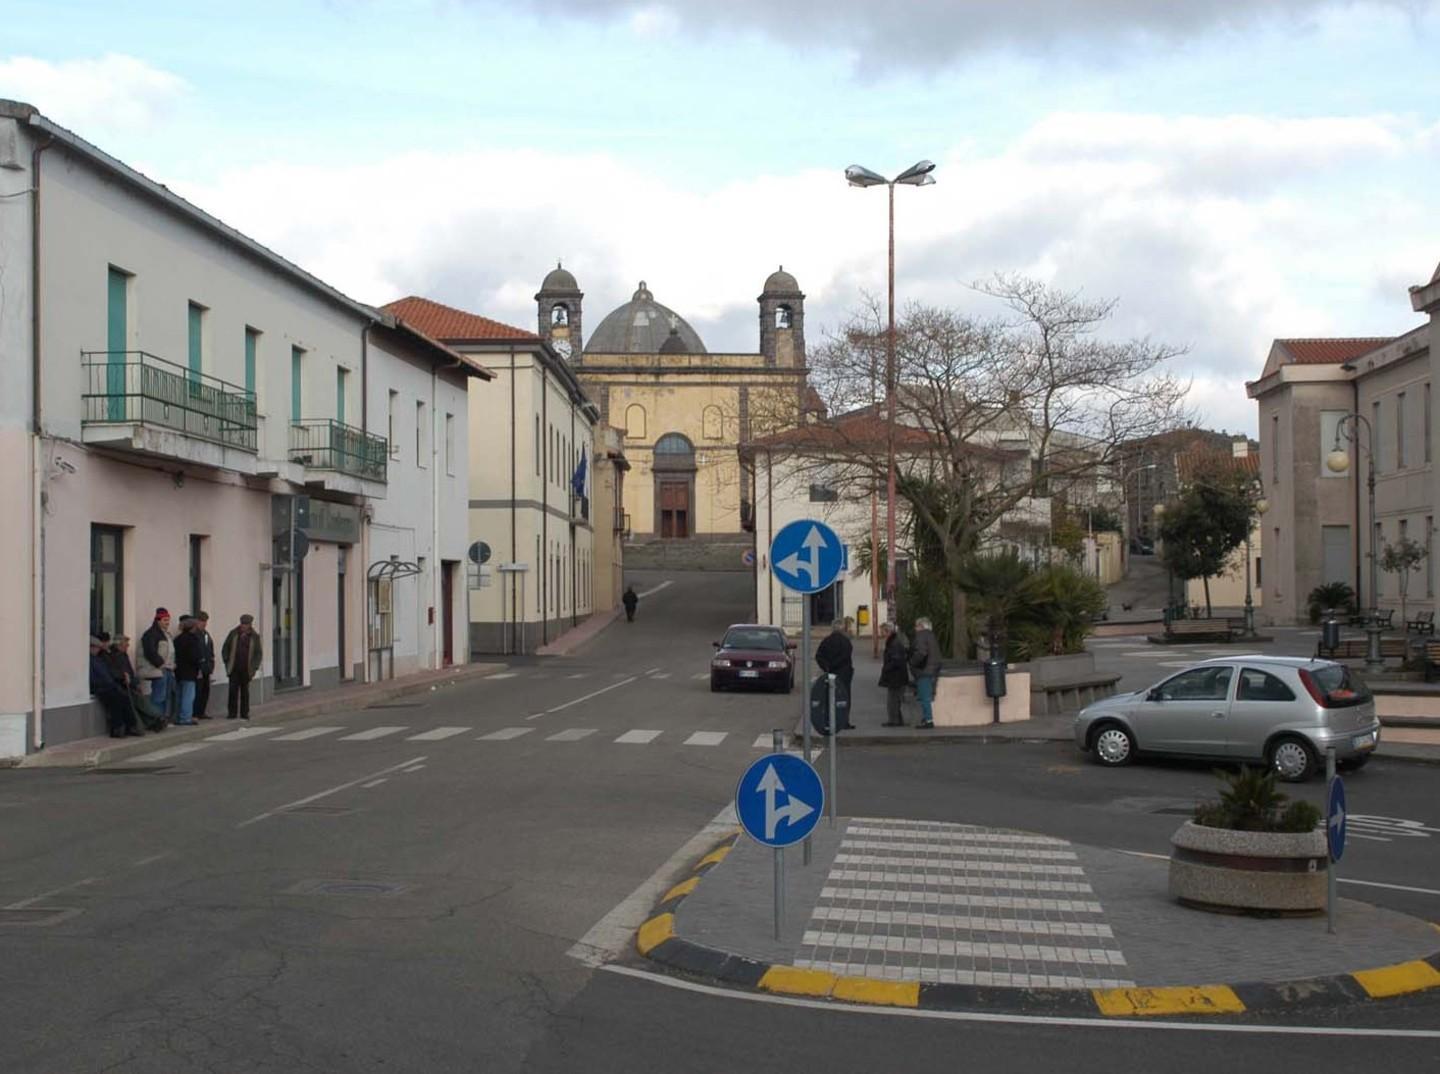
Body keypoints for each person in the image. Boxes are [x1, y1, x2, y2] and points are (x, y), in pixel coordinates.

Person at [110, 634, 166, 732]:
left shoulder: (123, 655)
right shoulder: (114, 656)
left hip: (130, 685)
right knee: (140, 702)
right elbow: (117, 672)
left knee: (141, 701)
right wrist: (125, 679)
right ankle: (156, 717)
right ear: (119, 645)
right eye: (126, 644)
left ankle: (154, 720)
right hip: (122, 686)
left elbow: (130, 671)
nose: (128, 646)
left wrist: (135, 683)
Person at [90, 635, 141, 738]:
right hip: (101, 687)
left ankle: (130, 726)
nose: (98, 649)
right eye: (96, 647)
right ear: (90, 647)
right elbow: (94, 677)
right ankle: (118, 727)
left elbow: (109, 672)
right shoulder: (91, 660)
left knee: (123, 697)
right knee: (116, 699)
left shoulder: (99, 658)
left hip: (110, 684)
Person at [814, 618, 855, 731]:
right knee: (844, 697)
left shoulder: (826, 641)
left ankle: (828, 720)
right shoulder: (846, 641)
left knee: (829, 697)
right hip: (844, 674)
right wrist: (837, 665)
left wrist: (827, 667)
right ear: (842, 628)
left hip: (830, 674)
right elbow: (847, 656)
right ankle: (844, 721)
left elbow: (818, 656)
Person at [222, 613, 263, 720]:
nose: (244, 626)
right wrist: (226, 660)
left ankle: (245, 713)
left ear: (250, 625)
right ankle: (232, 713)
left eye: (246, 624)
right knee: (232, 691)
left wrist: (254, 667)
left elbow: (258, 653)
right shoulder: (233, 634)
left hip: (247, 668)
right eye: (242, 624)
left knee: (245, 692)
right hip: (234, 667)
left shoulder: (254, 636)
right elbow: (225, 647)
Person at [139, 608, 175, 718]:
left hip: (167, 668)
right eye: (165, 620)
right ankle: (155, 718)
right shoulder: (151, 634)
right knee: (159, 696)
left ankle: (162, 718)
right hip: (159, 670)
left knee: (166, 696)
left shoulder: (166, 634)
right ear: (158, 620)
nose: (167, 623)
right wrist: (160, 664)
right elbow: (150, 651)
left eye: (168, 620)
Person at [908, 616, 943, 729]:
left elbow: (921, 653)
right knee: (928, 696)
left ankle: (928, 720)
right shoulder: (931, 635)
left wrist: (912, 662)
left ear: (921, 626)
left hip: (924, 671)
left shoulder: (921, 636)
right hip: (933, 669)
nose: (915, 628)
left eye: (916, 626)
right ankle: (927, 719)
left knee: (924, 697)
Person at [172, 615, 205, 725]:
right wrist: (200, 663)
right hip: (190, 671)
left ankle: (177, 716)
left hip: (178, 671)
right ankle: (185, 717)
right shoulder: (192, 639)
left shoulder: (177, 639)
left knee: (179, 695)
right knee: (188, 696)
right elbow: (194, 656)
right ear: (192, 627)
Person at [879, 621, 910, 727]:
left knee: (892, 699)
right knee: (894, 699)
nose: (881, 634)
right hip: (897, 675)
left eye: (882, 631)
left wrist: (887, 668)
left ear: (887, 631)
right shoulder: (894, 641)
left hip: (896, 676)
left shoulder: (894, 643)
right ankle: (896, 719)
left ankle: (894, 720)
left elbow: (896, 660)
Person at [193, 611, 216, 719]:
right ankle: (195, 713)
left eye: (205, 621)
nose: (204, 624)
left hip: (207, 667)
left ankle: (202, 711)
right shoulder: (194, 634)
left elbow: (210, 649)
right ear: (197, 621)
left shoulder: (206, 634)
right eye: (202, 621)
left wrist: (211, 663)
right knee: (197, 691)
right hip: (198, 668)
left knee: (205, 691)